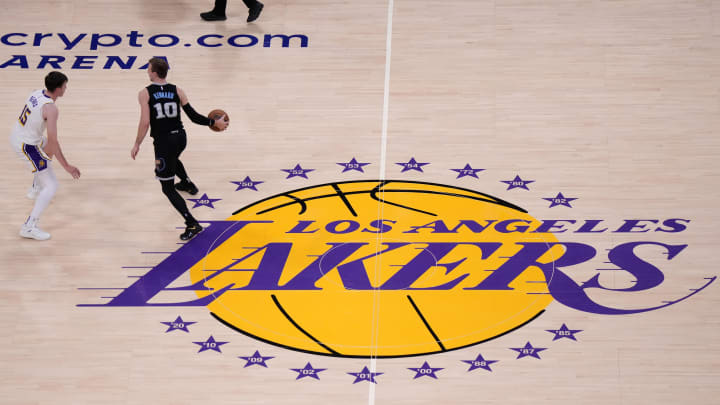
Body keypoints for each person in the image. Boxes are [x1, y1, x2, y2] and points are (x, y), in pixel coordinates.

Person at [131, 57, 228, 241]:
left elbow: (145, 122)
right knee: (174, 159)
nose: (147, 71)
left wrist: (137, 143)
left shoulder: (144, 93)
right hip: (180, 137)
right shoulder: (177, 90)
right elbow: (192, 116)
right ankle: (187, 183)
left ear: (154, 72)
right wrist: (213, 123)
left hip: (164, 142)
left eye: (148, 68)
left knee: (166, 187)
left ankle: (191, 223)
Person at [9, 71, 81, 241]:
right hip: (26, 146)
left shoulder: (36, 92)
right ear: (57, 89)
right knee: (51, 186)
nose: (65, 88)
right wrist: (67, 166)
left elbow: (49, 144)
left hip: (19, 134)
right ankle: (29, 226)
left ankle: (35, 188)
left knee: (46, 150)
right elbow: (54, 141)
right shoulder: (51, 109)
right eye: (64, 86)